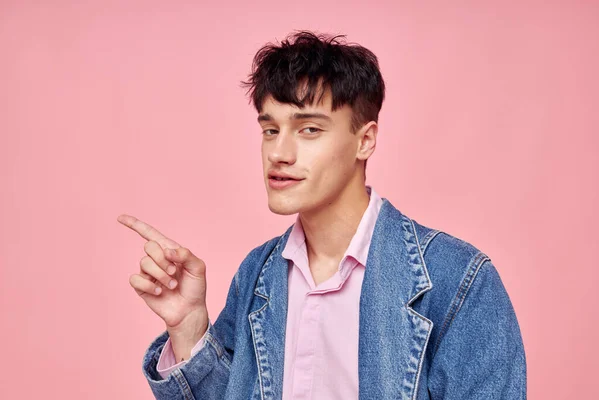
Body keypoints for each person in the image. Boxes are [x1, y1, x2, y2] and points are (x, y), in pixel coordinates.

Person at [118, 30, 526, 400]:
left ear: (364, 140)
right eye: (270, 130)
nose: (279, 153)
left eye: (309, 129)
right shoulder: (257, 275)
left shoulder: (457, 282)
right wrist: (189, 328)